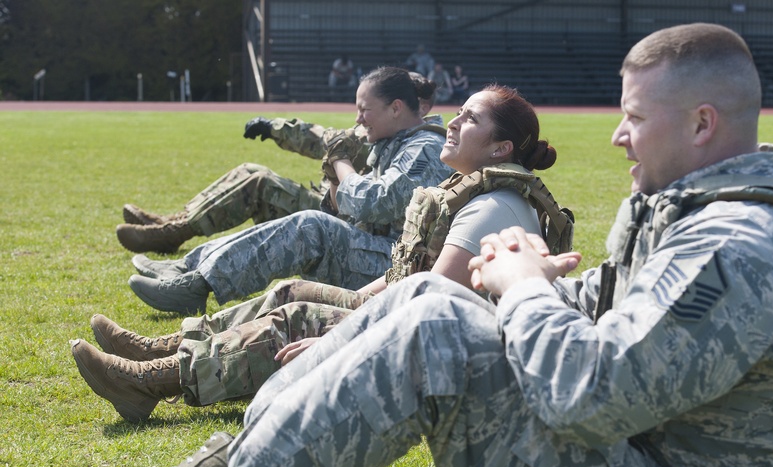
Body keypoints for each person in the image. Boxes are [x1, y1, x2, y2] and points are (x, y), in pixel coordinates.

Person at [0, 23, 773, 467]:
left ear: (702, 124)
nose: (618, 138)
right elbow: (614, 330)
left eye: (634, 117)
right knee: (423, 305)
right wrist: (515, 292)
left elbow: (588, 398)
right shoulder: (688, 212)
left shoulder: (741, 243)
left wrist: (520, 287)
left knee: (436, 327)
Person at [70, 86, 563, 422]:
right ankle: (165, 349)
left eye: (470, 119)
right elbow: (403, 278)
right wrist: (347, 302)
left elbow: (424, 306)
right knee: (295, 290)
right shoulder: (477, 192)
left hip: (446, 367)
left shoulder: (490, 208)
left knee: (296, 316)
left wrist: (335, 337)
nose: (453, 122)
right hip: (427, 336)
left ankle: (150, 382)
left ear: (500, 150)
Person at [124, 68, 455, 315]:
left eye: (364, 110)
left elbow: (375, 202)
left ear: (396, 108)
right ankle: (190, 270)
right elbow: (334, 161)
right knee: (301, 214)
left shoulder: (424, 148)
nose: (357, 118)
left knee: (311, 225)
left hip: (394, 268)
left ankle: (198, 285)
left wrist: (340, 164)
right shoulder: (391, 139)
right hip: (382, 255)